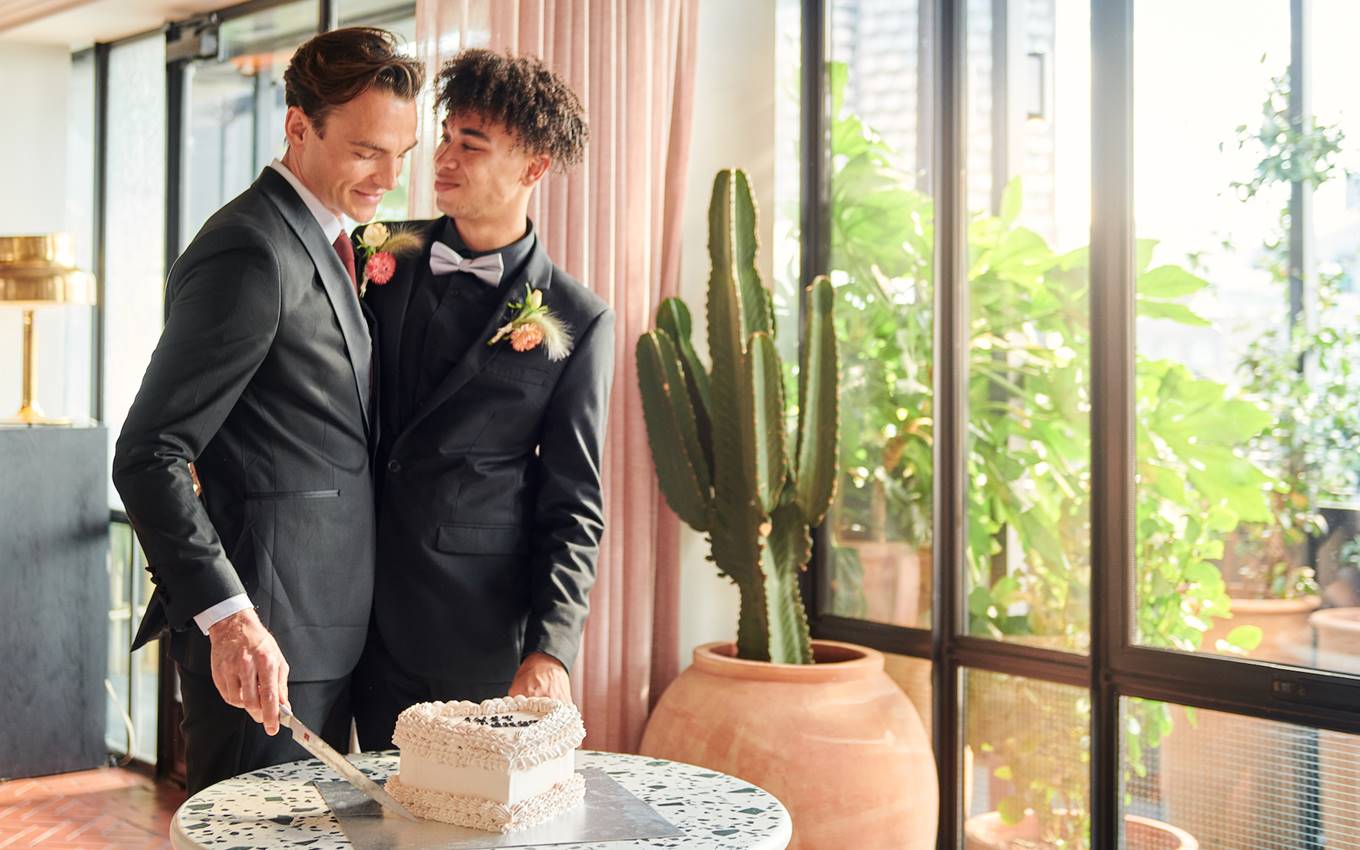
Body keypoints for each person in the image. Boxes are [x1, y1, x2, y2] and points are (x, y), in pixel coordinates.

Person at [111, 27, 422, 793]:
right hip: (267, 651)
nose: (386, 176)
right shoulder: (250, 249)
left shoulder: (324, 240)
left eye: (400, 156)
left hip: (331, 638)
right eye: (365, 151)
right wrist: (231, 619)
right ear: (297, 126)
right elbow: (147, 454)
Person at [352, 48, 614, 748]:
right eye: (445, 137)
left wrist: (551, 647)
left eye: (472, 145)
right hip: (344, 606)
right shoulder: (379, 255)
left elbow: (574, 502)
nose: (445, 157)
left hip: (471, 627)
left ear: (533, 169)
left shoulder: (578, 318)